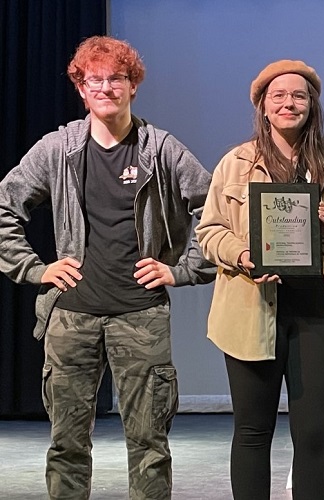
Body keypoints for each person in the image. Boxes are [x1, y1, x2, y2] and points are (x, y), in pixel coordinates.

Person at [0, 36, 214, 499]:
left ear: (133, 84)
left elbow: (215, 209)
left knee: (150, 445)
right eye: (94, 79)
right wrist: (35, 270)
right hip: (71, 316)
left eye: (116, 78)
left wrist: (181, 270)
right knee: (66, 445)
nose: (105, 88)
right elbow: (5, 204)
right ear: (81, 87)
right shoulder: (59, 149)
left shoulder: (160, 149)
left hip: (141, 315)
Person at [195, 60, 324, 500]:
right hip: (250, 309)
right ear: (263, 106)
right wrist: (245, 254)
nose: (289, 103)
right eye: (279, 96)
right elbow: (209, 232)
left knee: (312, 434)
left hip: (316, 313)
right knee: (252, 430)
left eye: (299, 96)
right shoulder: (235, 163)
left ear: (312, 106)